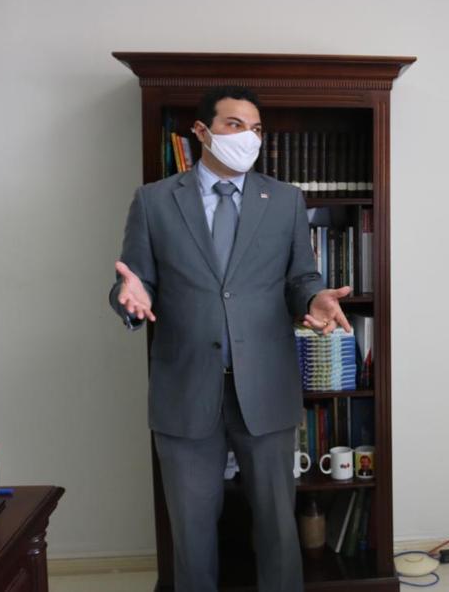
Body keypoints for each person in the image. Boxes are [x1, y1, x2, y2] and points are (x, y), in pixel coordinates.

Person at [109, 86, 351, 592]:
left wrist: (314, 300)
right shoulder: (154, 201)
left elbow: (300, 278)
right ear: (202, 131)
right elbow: (135, 280)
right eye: (235, 125)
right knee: (191, 533)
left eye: (256, 129)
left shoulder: (284, 200)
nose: (248, 138)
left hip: (264, 386)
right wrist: (128, 297)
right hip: (185, 387)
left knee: (277, 527)